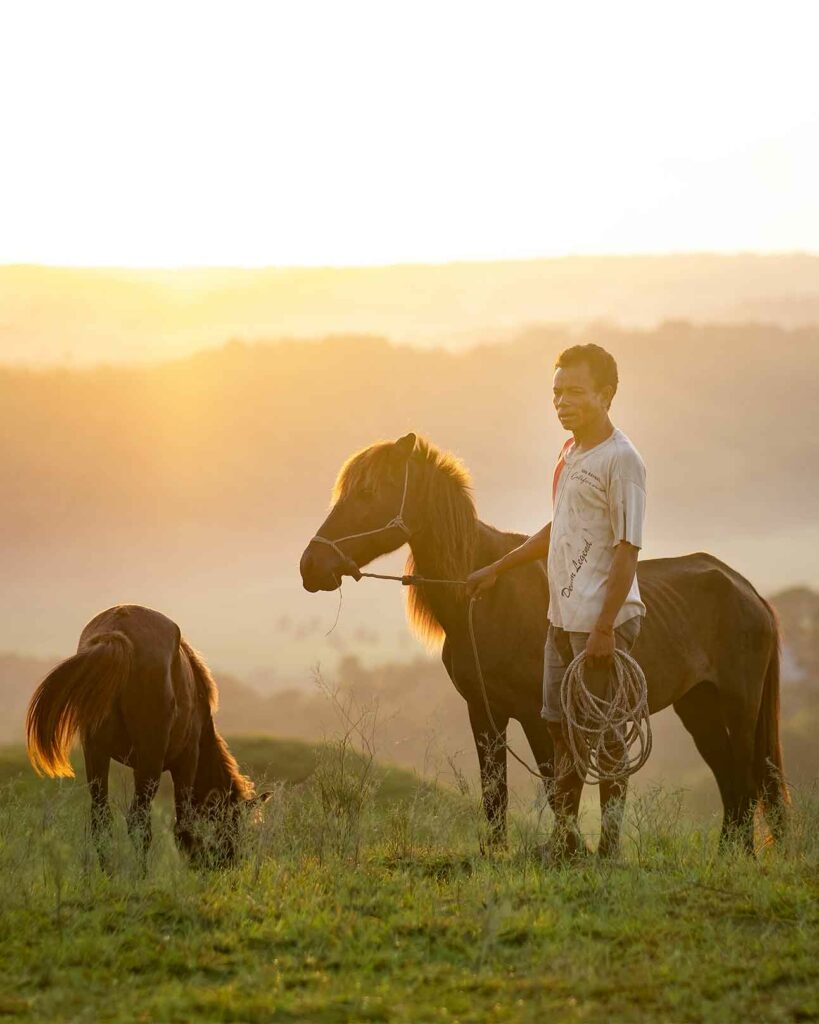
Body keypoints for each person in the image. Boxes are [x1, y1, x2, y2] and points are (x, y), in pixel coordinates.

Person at [465, 343, 646, 859]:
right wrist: (496, 569)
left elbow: (628, 549)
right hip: (560, 618)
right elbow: (560, 528)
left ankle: (608, 848)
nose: (563, 402)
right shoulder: (569, 454)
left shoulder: (622, 461)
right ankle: (566, 842)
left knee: (605, 735)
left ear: (607, 394)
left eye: (575, 392)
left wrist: (606, 627)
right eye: (557, 392)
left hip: (600, 622)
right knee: (558, 727)